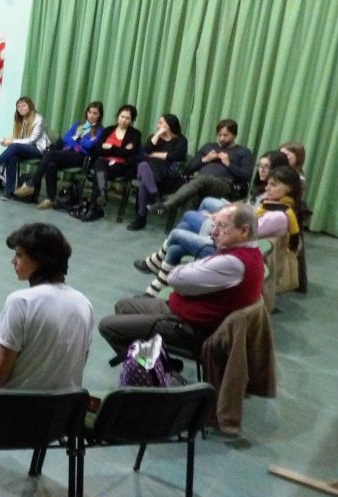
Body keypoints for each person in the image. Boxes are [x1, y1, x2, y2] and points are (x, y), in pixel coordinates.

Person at [0, 223, 93, 464]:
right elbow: (73, 362)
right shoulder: (84, 304)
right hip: (58, 420)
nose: (13, 261)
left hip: (7, 418)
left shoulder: (20, 302)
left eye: (18, 255)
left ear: (39, 260)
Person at [99, 202, 265, 358]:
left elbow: (174, 279)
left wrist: (185, 270)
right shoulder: (243, 252)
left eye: (222, 226)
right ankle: (158, 361)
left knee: (108, 326)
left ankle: (154, 370)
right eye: (215, 225)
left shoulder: (233, 263)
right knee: (123, 306)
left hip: (192, 329)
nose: (214, 232)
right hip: (183, 312)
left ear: (244, 231)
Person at [136, 163, 301, 296]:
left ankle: (156, 261)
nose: (267, 188)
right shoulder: (272, 203)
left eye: (273, 185)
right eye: (268, 183)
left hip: (228, 249)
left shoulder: (278, 215)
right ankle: (154, 290)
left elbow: (244, 233)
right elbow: (245, 215)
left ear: (289, 188)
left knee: (184, 223)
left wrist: (217, 220)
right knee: (177, 243)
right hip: (229, 237)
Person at [14, 101, 105, 208]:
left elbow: (89, 145)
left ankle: (31, 184)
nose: (91, 116)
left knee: (50, 155)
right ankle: (51, 199)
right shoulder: (79, 124)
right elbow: (66, 137)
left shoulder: (100, 131)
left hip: (81, 157)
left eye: (95, 113)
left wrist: (76, 139)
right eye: (90, 112)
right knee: (51, 164)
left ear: (100, 115)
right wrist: (78, 142)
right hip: (68, 153)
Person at [157, 119, 254, 217]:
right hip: (199, 183)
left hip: (225, 185)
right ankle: (185, 222)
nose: (221, 138)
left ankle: (167, 203)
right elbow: (188, 169)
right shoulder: (208, 146)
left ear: (234, 135)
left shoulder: (244, 152)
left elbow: (246, 176)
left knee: (202, 179)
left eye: (225, 135)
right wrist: (205, 159)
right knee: (192, 194)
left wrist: (228, 164)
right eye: (219, 135)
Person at [0, 96, 51, 199]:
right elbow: (19, 136)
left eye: (24, 105)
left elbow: (31, 140)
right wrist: (7, 139)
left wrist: (11, 142)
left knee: (14, 147)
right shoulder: (22, 119)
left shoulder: (38, 119)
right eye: (19, 106)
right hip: (26, 149)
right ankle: (9, 191)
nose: (21, 108)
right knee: (12, 157)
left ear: (30, 106)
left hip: (39, 150)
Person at [84, 104, 142, 221]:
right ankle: (100, 198)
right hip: (104, 163)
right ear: (117, 116)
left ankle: (95, 207)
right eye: (122, 117)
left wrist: (110, 147)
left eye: (127, 118)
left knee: (99, 172)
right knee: (100, 163)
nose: (124, 120)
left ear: (132, 120)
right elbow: (98, 150)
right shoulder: (108, 130)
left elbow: (130, 154)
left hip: (122, 166)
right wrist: (121, 150)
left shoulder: (135, 134)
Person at [130, 114, 188, 230]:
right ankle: (155, 196)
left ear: (169, 125)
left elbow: (175, 156)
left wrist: (155, 154)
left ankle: (141, 217)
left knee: (145, 178)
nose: (158, 125)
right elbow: (146, 151)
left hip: (168, 175)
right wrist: (157, 134)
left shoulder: (181, 140)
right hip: (152, 174)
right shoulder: (154, 137)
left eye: (161, 123)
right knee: (143, 165)